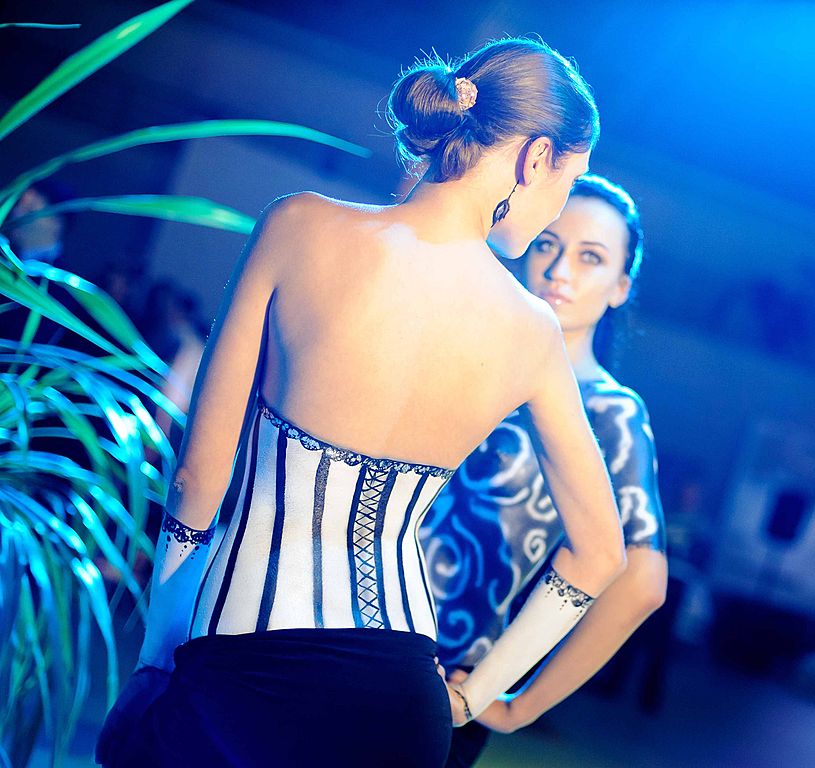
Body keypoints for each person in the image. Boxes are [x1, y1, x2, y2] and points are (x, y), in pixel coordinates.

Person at [95, 37, 626, 768]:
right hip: (401, 698)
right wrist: (477, 697)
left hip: (238, 666)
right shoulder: (534, 333)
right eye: (572, 177)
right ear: (536, 158)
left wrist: (157, 657)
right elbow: (600, 552)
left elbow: (196, 479)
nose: (559, 207)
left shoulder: (299, 225)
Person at [423, 174, 667, 766]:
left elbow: (642, 582)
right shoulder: (458, 355)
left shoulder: (608, 412)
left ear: (621, 287)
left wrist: (516, 704)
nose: (560, 270)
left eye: (591, 257)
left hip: (441, 681)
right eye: (548, 245)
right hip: (336, 631)